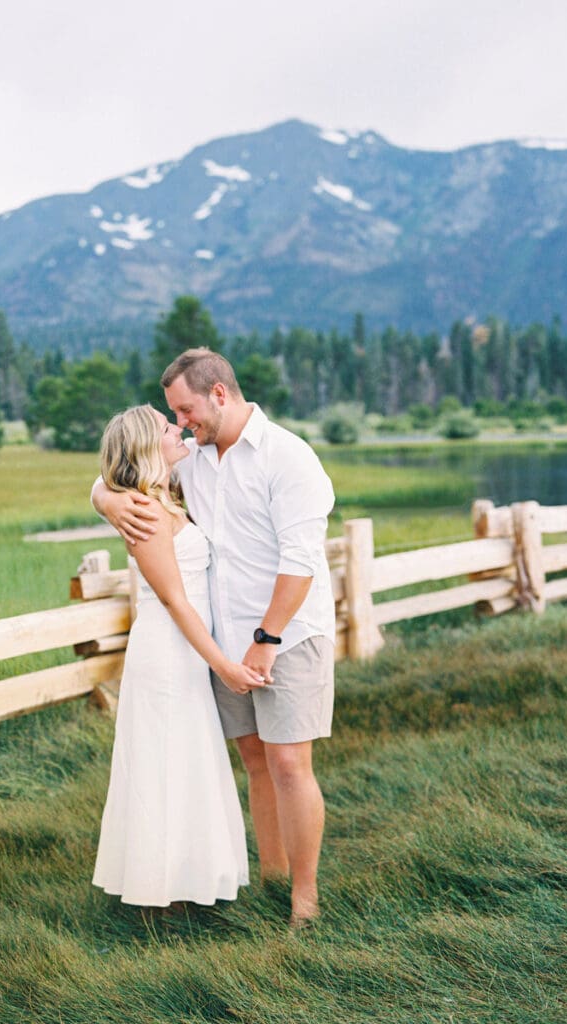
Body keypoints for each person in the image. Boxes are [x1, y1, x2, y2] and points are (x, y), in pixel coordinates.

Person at [93, 349, 336, 927]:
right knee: (254, 760)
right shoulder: (193, 456)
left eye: (185, 409)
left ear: (219, 394)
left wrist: (267, 638)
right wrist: (104, 499)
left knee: (289, 765)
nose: (180, 423)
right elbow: (119, 466)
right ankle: (273, 879)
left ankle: (304, 900)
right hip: (220, 641)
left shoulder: (289, 458)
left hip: (286, 635)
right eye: (173, 415)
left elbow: (300, 562)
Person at [91, 404, 265, 909]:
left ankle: (189, 884)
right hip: (168, 654)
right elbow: (174, 601)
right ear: (151, 447)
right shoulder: (145, 510)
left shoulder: (166, 493)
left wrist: (99, 493)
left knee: (189, 765)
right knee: (164, 767)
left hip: (184, 654)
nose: (180, 428)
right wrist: (225, 665)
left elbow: (102, 481)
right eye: (170, 429)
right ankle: (160, 894)